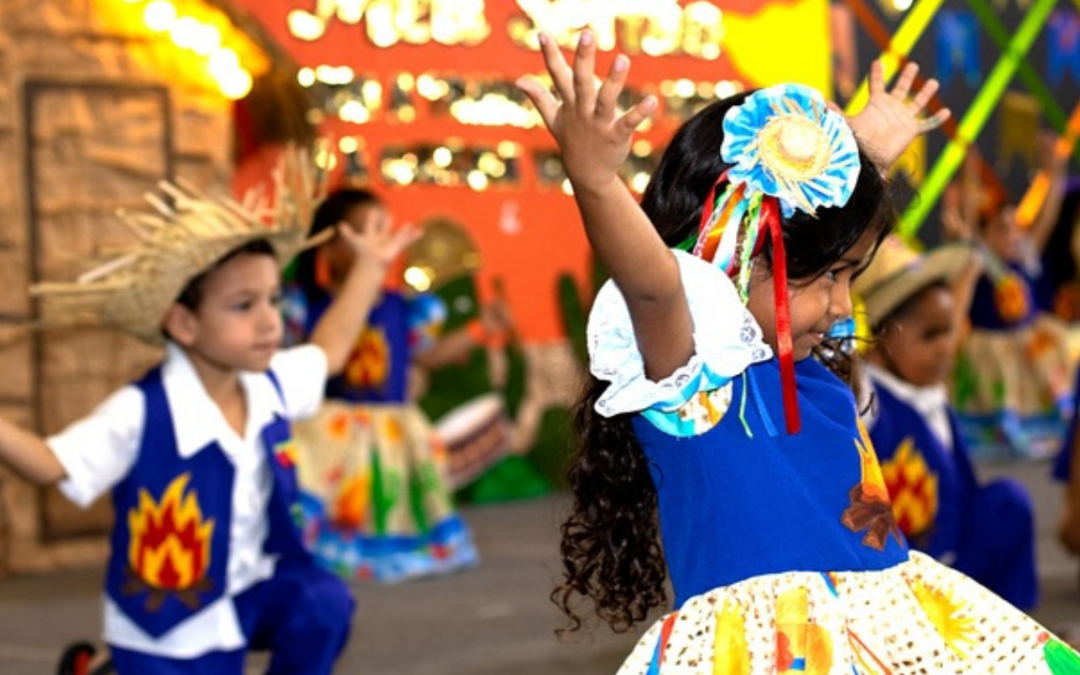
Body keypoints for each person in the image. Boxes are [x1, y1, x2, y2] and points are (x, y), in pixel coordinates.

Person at [516, 31, 1080, 673]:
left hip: (883, 634)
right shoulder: (692, 376)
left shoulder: (809, 367)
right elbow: (652, 286)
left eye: (848, 275)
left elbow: (805, 246)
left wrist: (860, 159)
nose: (843, 304)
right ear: (735, 251)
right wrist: (595, 181)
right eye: (826, 276)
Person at [0, 161, 417, 675]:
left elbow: (329, 349)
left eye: (273, 299)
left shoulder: (270, 384)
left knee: (322, 602)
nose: (269, 320)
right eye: (243, 306)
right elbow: (48, 463)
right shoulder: (142, 411)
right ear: (184, 323)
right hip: (169, 625)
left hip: (248, 591)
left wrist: (371, 268)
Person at [282, 188, 488, 583]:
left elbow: (425, 356)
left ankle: (389, 551)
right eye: (369, 231)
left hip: (391, 426)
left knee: (390, 497)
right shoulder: (304, 303)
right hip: (332, 430)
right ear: (331, 244)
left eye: (385, 229)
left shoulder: (404, 308)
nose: (382, 240)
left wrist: (476, 333)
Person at [854, 236, 1038, 609]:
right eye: (930, 335)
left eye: (949, 331)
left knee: (1008, 503)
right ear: (881, 341)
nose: (946, 347)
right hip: (904, 582)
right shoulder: (868, 399)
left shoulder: (932, 395)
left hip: (958, 562)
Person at [948, 138, 1074, 459]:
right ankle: (999, 429)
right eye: (1001, 229)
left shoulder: (1026, 255)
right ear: (987, 236)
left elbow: (1047, 216)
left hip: (1027, 339)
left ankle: (1046, 426)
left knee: (1043, 383)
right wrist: (970, 176)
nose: (1010, 235)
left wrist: (1054, 172)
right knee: (1000, 397)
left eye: (1014, 228)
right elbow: (970, 225)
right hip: (991, 344)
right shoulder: (983, 260)